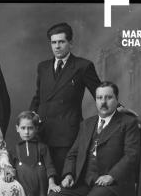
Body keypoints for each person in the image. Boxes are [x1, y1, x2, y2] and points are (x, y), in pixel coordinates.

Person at [46, 81, 141, 196]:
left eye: (108, 97)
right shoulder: (87, 124)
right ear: (95, 100)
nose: (103, 102)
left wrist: (111, 175)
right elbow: (73, 153)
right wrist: (68, 175)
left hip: (115, 183)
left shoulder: (128, 123)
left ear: (116, 100)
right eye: (99, 98)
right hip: (86, 180)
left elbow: (132, 156)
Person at [29, 22, 102, 176]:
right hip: (43, 130)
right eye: (54, 42)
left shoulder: (83, 66)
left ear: (70, 43)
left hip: (67, 133)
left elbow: (100, 93)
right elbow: (38, 97)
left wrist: (119, 108)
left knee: (64, 179)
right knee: (43, 179)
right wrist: (29, 119)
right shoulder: (43, 67)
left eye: (61, 42)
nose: (57, 46)